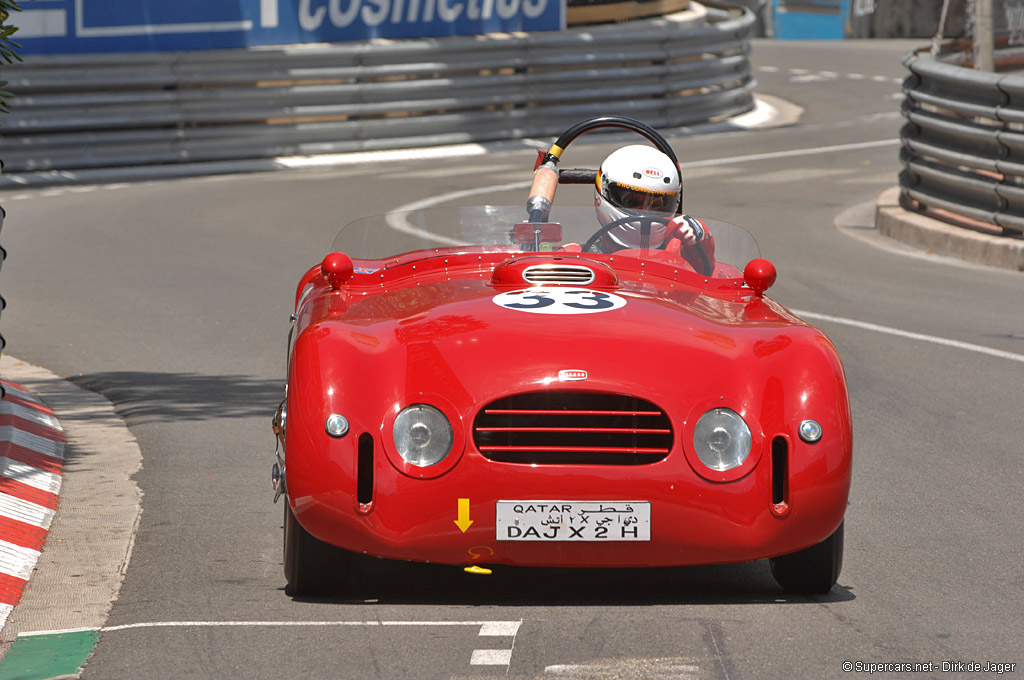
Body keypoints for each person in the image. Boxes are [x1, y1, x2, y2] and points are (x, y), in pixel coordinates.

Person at [590, 145, 714, 272]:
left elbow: (705, 273)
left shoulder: (678, 252)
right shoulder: (581, 255)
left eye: (656, 205)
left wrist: (701, 241)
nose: (645, 211)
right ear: (604, 193)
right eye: (633, 202)